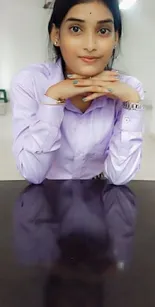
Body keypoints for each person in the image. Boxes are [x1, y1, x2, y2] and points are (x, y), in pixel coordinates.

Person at [10, 0, 144, 184]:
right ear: (56, 35)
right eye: (75, 29)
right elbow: (32, 173)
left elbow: (120, 177)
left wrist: (131, 102)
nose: (90, 45)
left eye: (103, 31)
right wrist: (54, 97)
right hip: (46, 198)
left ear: (116, 38)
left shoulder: (129, 89)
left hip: (99, 198)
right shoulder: (31, 82)